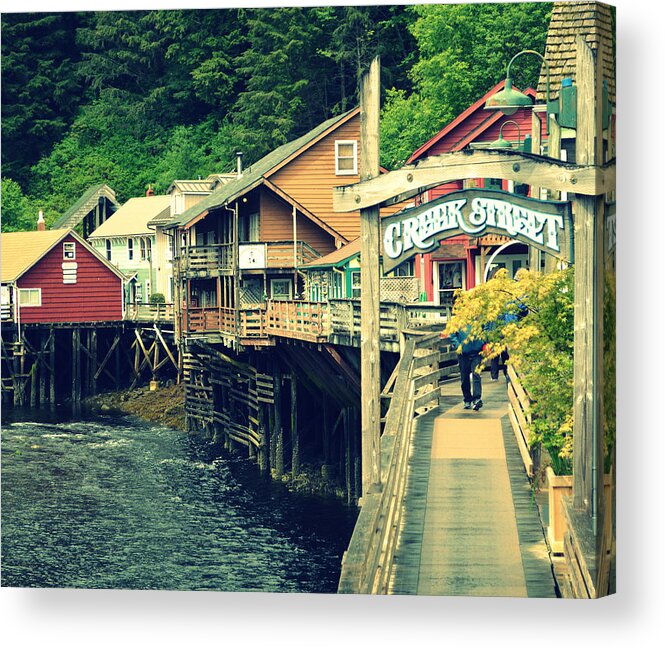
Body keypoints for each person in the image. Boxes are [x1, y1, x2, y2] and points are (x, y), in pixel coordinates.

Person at [449, 325, 485, 411]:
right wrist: (458, 345)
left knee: (476, 374)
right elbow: (452, 334)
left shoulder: (478, 317)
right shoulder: (457, 319)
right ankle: (467, 399)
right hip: (463, 354)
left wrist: (482, 342)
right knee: (464, 377)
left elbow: (485, 328)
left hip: (477, 352)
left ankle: (477, 399)